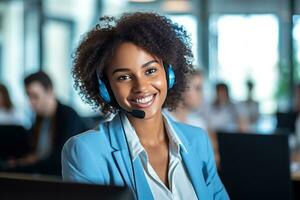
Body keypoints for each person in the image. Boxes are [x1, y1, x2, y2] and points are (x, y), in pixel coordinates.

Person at [62, 12, 229, 200]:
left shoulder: (197, 140)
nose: (141, 87)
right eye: (123, 77)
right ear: (106, 88)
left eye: (150, 71)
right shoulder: (86, 151)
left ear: (169, 74)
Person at [6, 71, 87, 175]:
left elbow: (60, 159)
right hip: (43, 174)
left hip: (60, 177)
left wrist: (25, 163)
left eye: (35, 96)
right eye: (28, 96)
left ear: (49, 91)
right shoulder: (39, 118)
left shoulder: (68, 116)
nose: (31, 102)